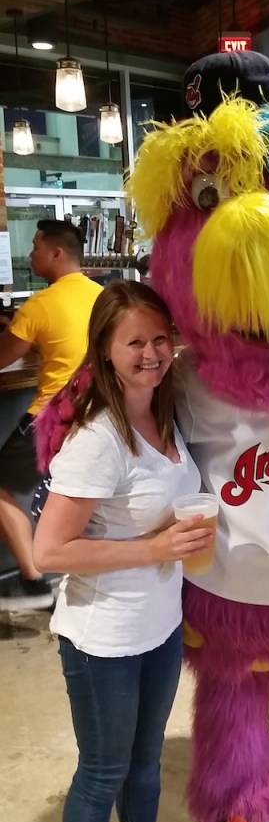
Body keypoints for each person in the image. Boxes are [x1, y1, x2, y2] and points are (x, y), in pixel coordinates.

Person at [32, 279, 212, 822]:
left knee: (146, 767)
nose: (152, 353)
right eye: (135, 342)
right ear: (105, 350)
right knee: (102, 775)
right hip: (103, 641)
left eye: (160, 339)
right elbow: (47, 551)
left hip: (160, 627)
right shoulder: (98, 439)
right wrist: (154, 549)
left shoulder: (164, 413)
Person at [0, 219, 102, 610]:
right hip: (98, 414)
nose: (30, 254)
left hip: (53, 419)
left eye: (36, 247)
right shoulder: (103, 296)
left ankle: (33, 580)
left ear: (57, 253)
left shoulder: (40, 304)